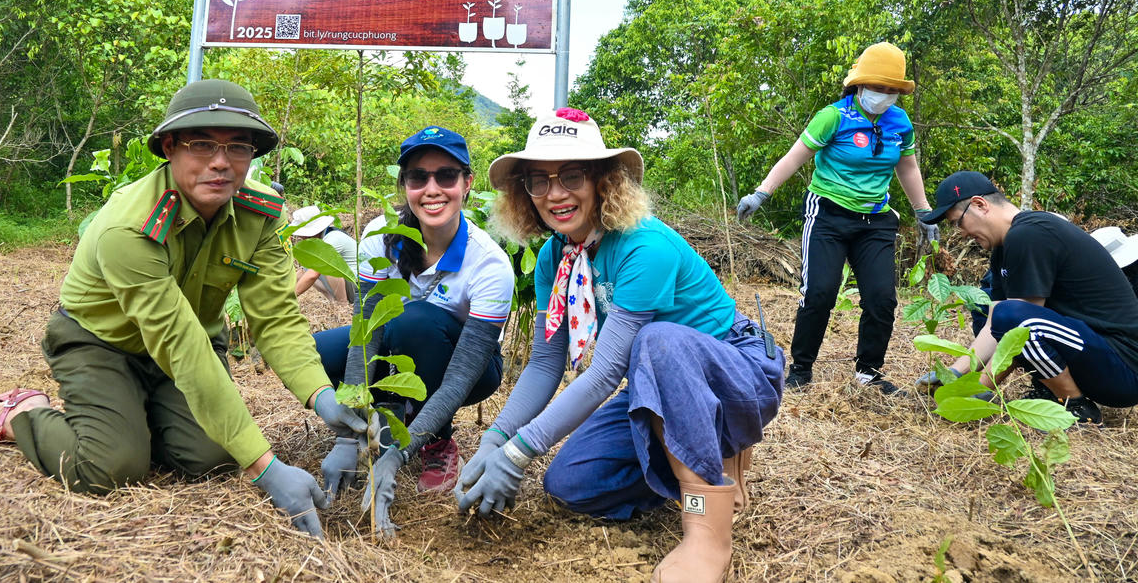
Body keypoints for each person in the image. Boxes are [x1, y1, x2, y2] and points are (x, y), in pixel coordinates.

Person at [0, 79, 366, 538]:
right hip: (101, 343)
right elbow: (180, 344)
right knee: (107, 467)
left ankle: (133, 415)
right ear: (170, 147)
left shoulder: (260, 213)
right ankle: (19, 413)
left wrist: (320, 396)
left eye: (239, 147)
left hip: (188, 348)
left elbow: (275, 317)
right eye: (202, 144)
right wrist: (267, 470)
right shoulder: (130, 226)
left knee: (212, 457)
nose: (221, 162)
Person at [456, 108, 783, 583]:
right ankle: (714, 452)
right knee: (571, 484)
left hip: (737, 371)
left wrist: (517, 454)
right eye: (538, 181)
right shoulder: (555, 257)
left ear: (603, 180)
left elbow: (608, 371)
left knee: (655, 341)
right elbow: (546, 361)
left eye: (572, 175)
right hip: (657, 390)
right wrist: (497, 438)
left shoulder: (644, 246)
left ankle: (705, 530)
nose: (555, 194)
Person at [313, 125, 513, 536]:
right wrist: (347, 438)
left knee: (414, 319)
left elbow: (461, 377)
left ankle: (435, 439)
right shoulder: (379, 241)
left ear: (467, 184)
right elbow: (364, 334)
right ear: (404, 185)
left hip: (466, 368)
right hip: (398, 347)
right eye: (418, 177)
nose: (432, 188)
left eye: (446, 176)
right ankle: (382, 421)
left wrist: (398, 457)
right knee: (314, 352)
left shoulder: (488, 264)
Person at [736, 42, 937, 394]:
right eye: (879, 87)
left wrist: (923, 211)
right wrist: (761, 193)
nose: (885, 95)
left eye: (892, 90)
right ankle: (801, 367)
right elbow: (795, 157)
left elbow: (907, 167)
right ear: (860, 84)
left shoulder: (899, 123)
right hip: (827, 214)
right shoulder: (834, 116)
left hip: (875, 220)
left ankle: (868, 372)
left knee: (882, 298)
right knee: (819, 292)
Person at [916, 171, 1138, 425]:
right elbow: (994, 325)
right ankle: (1058, 394)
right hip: (1096, 357)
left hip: (1123, 368)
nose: (962, 234)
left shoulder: (1031, 234)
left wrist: (979, 392)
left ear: (979, 205)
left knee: (1013, 318)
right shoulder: (1005, 247)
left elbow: (1017, 329)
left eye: (958, 222)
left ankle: (1075, 406)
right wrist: (954, 374)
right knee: (994, 311)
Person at [290, 205, 358, 305]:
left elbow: (312, 275)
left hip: (357, 287)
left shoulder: (333, 238)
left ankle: (342, 304)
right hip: (350, 284)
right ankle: (333, 300)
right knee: (309, 266)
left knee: (325, 265)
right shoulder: (323, 239)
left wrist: (289, 299)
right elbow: (303, 272)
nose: (300, 236)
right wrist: (285, 291)